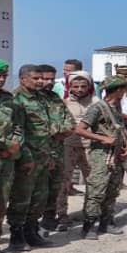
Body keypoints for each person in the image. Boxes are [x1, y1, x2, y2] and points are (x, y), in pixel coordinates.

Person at [5, 65, 56, 253]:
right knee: (21, 198)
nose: (41, 81)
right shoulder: (16, 99)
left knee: (39, 197)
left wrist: (49, 155)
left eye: (41, 78)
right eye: (36, 78)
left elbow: (45, 130)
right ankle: (17, 237)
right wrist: (26, 158)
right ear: (23, 79)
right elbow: (17, 132)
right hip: (26, 158)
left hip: (42, 156)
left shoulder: (40, 98)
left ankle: (31, 231)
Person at [75, 75, 127, 239]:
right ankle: (88, 226)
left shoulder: (115, 108)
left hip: (116, 155)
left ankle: (106, 222)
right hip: (101, 155)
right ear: (119, 90)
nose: (125, 92)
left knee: (113, 190)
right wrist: (102, 138)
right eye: (124, 89)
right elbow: (80, 129)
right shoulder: (98, 108)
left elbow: (121, 128)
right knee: (97, 190)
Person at [38, 64, 76, 232]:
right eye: (45, 79)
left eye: (52, 79)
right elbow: (36, 126)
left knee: (55, 188)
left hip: (57, 151)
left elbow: (70, 122)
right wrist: (57, 130)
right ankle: (29, 226)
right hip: (37, 152)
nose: (49, 82)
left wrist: (60, 132)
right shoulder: (29, 98)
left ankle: (48, 220)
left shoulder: (55, 98)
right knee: (36, 190)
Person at [60, 70, 96, 231]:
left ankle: (90, 212)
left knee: (93, 181)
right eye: (76, 86)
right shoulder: (65, 103)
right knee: (64, 182)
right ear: (70, 87)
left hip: (91, 146)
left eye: (83, 86)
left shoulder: (96, 103)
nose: (80, 89)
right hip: (69, 145)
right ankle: (62, 214)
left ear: (89, 86)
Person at [0, 59, 25, 253]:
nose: (1, 79)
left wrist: (14, 145)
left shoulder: (9, 100)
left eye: (4, 76)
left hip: (6, 158)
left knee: (1, 202)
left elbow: (18, 126)